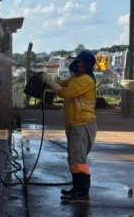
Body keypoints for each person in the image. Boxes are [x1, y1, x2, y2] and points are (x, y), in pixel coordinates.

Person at [41, 50, 97, 204]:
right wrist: (48, 79)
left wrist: (49, 82)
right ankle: (76, 189)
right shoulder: (75, 77)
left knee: (79, 159)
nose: (76, 63)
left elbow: (65, 93)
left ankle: (82, 193)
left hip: (82, 123)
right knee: (74, 157)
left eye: (79, 61)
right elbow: (60, 85)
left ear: (86, 65)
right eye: (76, 61)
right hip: (74, 123)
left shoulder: (85, 80)